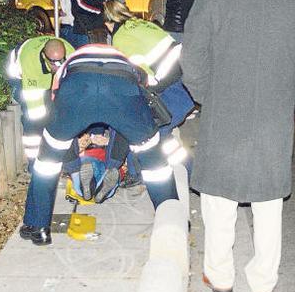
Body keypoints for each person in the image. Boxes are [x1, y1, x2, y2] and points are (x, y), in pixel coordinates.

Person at [182, 0, 295, 292]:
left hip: (223, 111)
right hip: (272, 116)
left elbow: (191, 55)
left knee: (219, 199)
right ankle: (263, 282)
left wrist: (205, 95)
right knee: (267, 203)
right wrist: (288, 96)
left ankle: (221, 275)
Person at [19, 44, 185, 245]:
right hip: (122, 87)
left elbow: (59, 109)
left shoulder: (65, 68)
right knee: (155, 165)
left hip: (77, 88)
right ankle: (173, 223)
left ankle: (38, 227)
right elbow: (144, 87)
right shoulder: (127, 58)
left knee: (47, 163)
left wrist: (71, 165)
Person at [105, 0, 196, 185]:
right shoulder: (141, 23)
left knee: (144, 131)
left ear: (108, 22)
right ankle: (191, 174)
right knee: (162, 135)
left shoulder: (121, 37)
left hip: (174, 86)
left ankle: (137, 174)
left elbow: (138, 74)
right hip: (188, 79)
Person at [5, 36, 74, 166]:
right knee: (32, 120)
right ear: (44, 56)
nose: (57, 66)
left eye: (61, 61)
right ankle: (33, 162)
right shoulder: (31, 63)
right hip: (19, 77)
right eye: (53, 62)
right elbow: (35, 111)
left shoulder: (70, 53)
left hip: (45, 76)